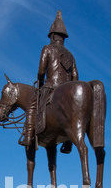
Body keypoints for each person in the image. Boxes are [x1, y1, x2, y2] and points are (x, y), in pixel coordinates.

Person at [21, 11, 79, 153]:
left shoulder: (47, 48)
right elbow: (76, 77)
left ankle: (28, 136)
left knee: (32, 104)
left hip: (50, 87)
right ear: (63, 38)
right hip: (68, 90)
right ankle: (69, 142)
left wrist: (40, 81)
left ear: (52, 36)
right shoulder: (70, 55)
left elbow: (41, 71)